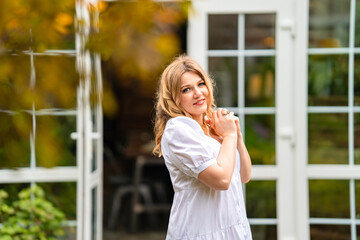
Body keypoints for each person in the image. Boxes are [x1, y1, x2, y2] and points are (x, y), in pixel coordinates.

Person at [153, 55, 252, 240]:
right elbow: (221, 180)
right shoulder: (179, 129)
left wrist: (236, 136)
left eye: (200, 84)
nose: (198, 93)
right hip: (201, 231)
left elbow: (244, 176)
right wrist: (229, 136)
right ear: (174, 98)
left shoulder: (211, 126)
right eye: (186, 89)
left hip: (233, 228)